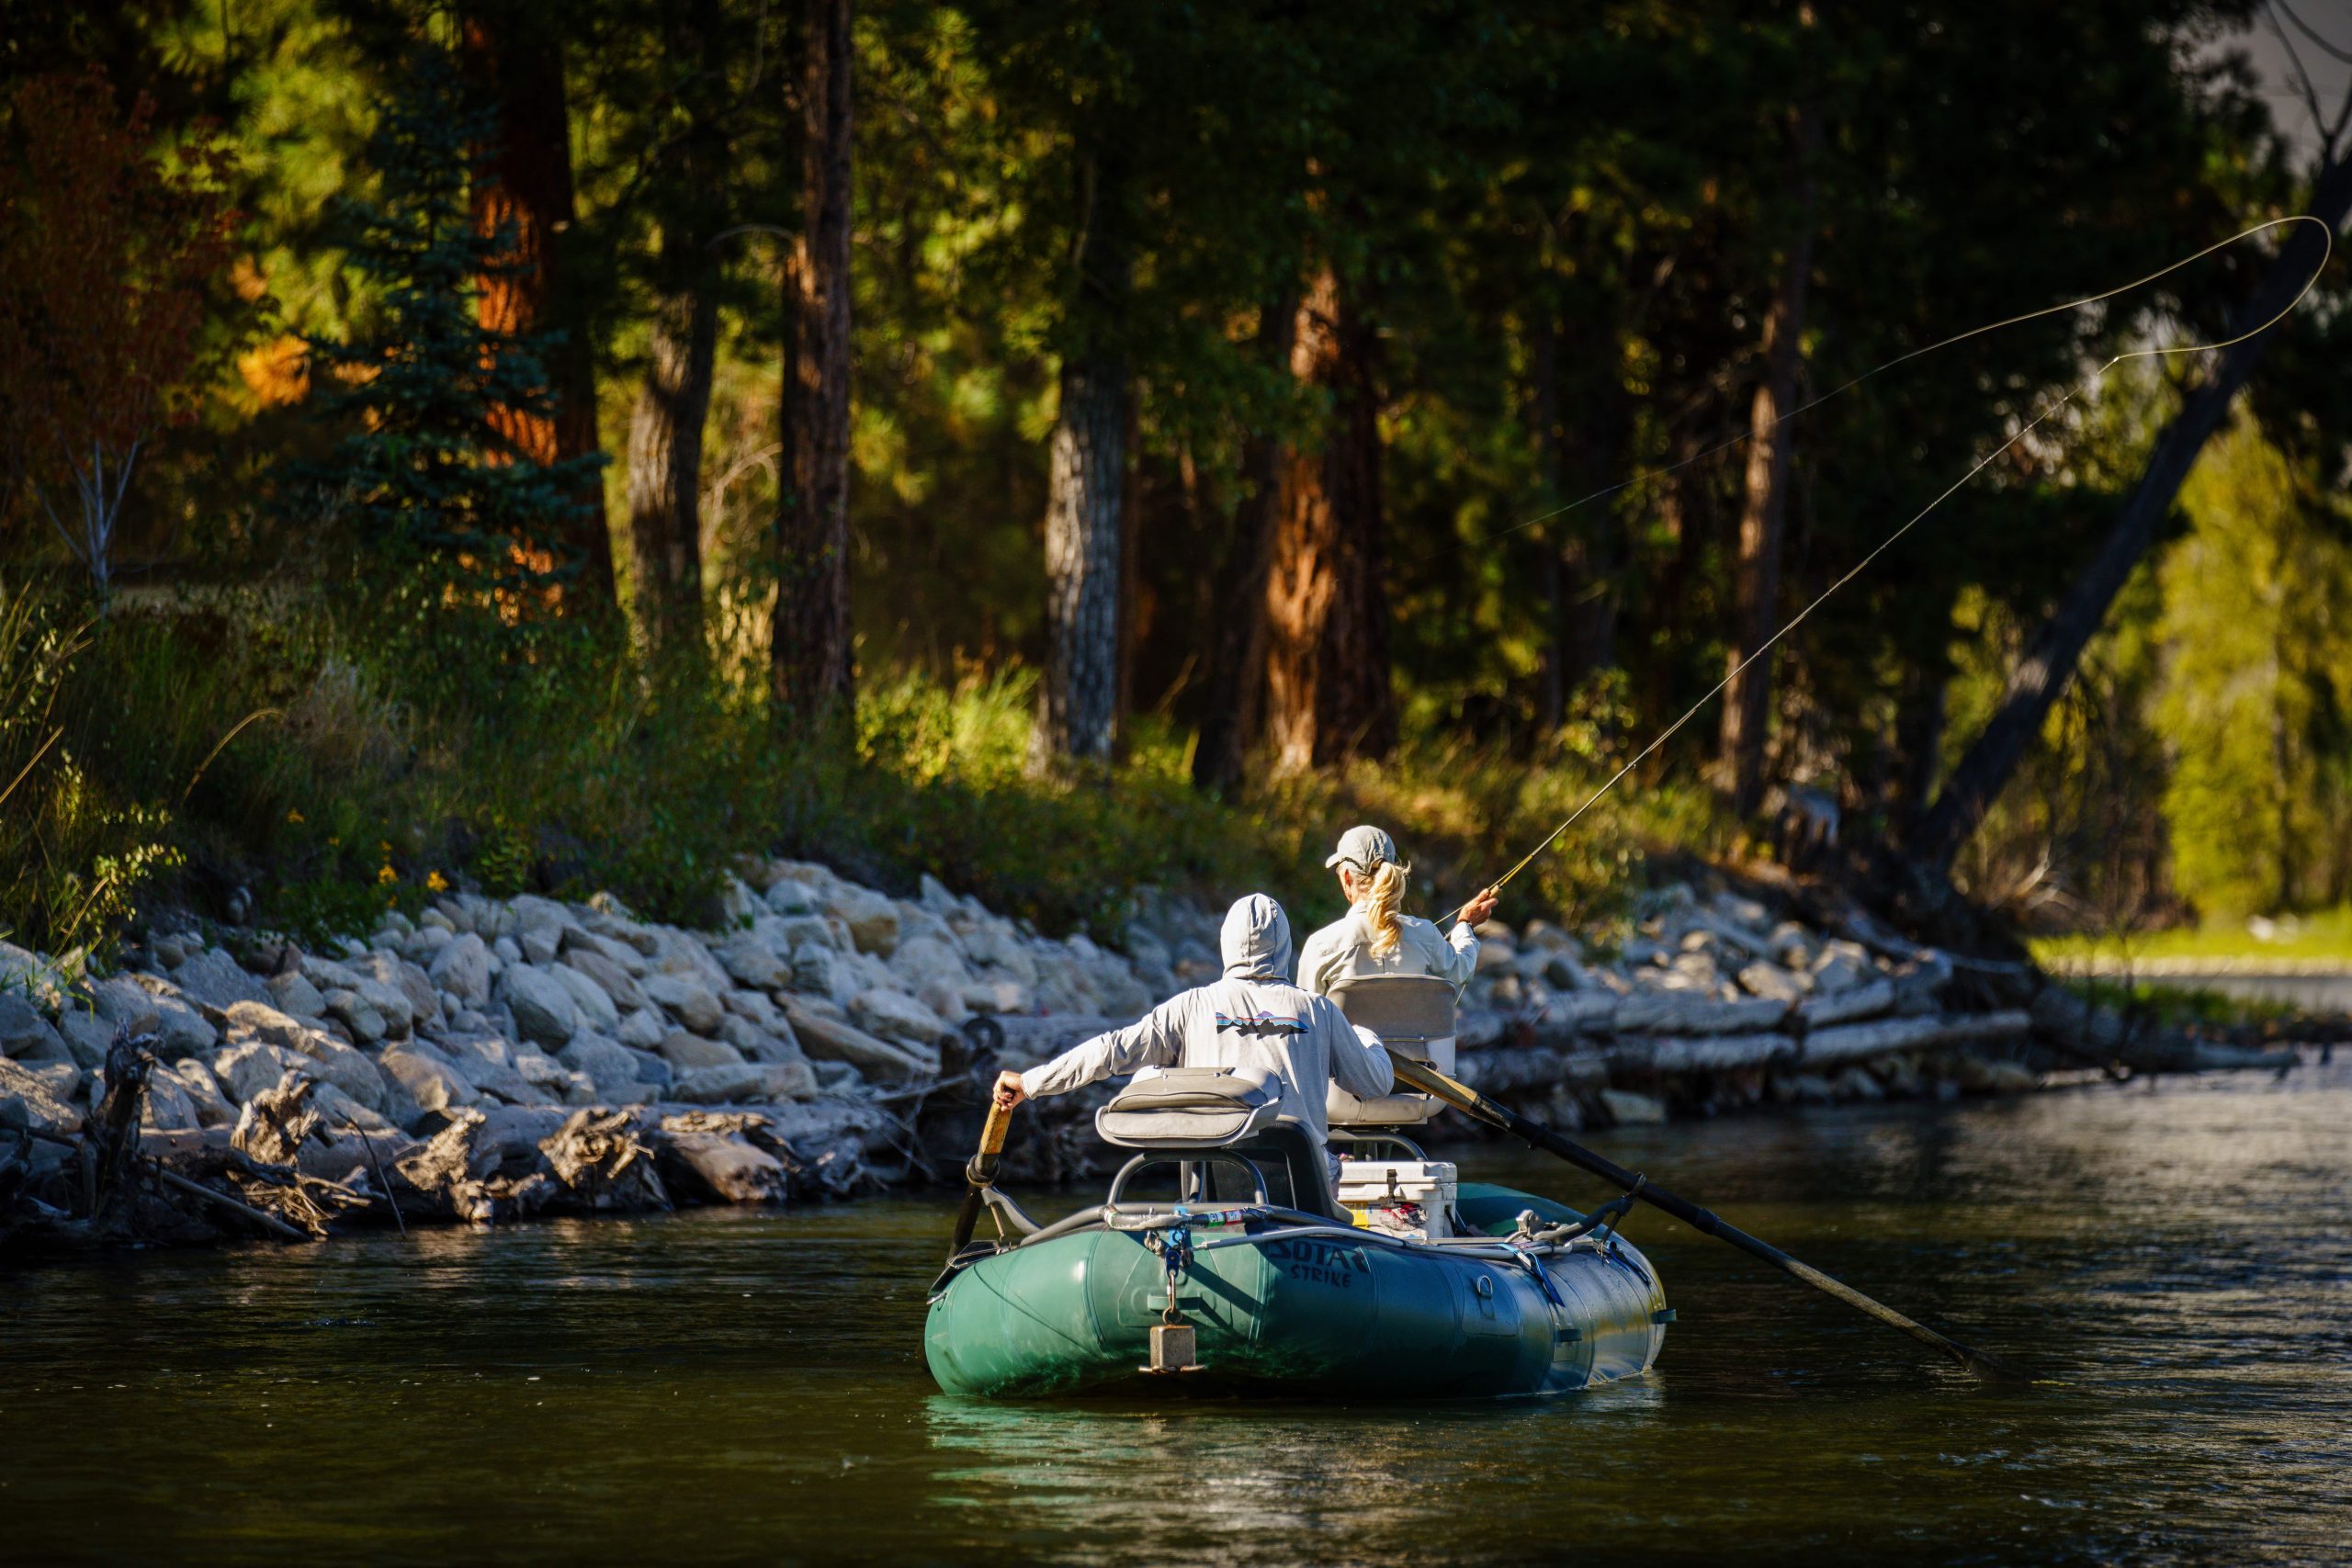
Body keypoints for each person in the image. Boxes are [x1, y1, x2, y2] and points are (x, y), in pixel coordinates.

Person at [991, 894, 1394, 1176]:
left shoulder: (1190, 1007)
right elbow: (1374, 1084)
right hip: (1299, 1192)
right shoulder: (1318, 1010)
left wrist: (1030, 1082)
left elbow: (1111, 1051)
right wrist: (1366, 1038)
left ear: (1226, 943)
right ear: (1286, 947)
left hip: (1216, 1186)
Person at [1295, 824, 1498, 1000]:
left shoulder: (1320, 945)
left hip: (1345, 1047)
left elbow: (1304, 1018)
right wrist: (1465, 924)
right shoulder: (1426, 934)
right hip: (1417, 1046)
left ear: (1347, 878)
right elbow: (1461, 968)